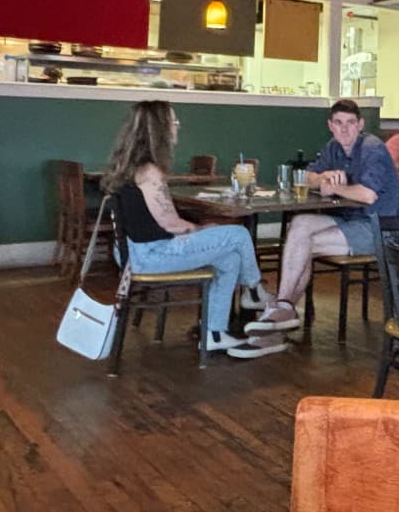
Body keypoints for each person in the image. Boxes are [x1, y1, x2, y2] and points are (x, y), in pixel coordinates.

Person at [100, 102, 285, 358]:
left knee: (230, 259)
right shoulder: (150, 171)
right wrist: (201, 228)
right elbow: (170, 224)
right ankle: (254, 291)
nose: (178, 126)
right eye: (174, 122)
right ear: (159, 129)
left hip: (134, 253)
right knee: (238, 234)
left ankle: (214, 334)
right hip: (151, 254)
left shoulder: (129, 165)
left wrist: (204, 232)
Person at [264, 100, 399, 332]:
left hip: (377, 228)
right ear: (330, 125)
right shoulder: (333, 147)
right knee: (299, 223)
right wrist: (323, 177)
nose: (344, 129)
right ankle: (285, 309)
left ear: (360, 124)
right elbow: (307, 177)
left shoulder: (372, 148)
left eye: (350, 123)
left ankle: (283, 308)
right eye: (339, 123)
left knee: (304, 242)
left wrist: (335, 188)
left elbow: (368, 195)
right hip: (347, 220)